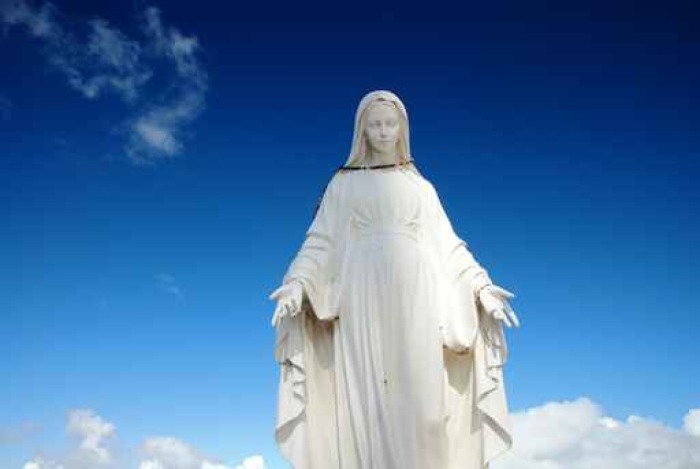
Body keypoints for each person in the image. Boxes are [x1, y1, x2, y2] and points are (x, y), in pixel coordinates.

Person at [269, 90, 520, 469]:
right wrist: (298, 283)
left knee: (425, 403)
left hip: (417, 293)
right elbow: (320, 242)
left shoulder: (421, 188)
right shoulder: (343, 185)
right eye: (375, 125)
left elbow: (449, 246)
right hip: (361, 292)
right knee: (367, 400)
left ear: (403, 128)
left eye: (390, 124)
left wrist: (480, 287)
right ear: (362, 131)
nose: (384, 132)